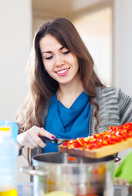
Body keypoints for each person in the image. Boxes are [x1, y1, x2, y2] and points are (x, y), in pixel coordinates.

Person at [16, 17, 132, 184]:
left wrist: (122, 174)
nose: (59, 62)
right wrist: (20, 139)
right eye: (49, 57)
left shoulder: (112, 99)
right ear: (41, 64)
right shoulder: (35, 106)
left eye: (65, 52)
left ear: (77, 52)